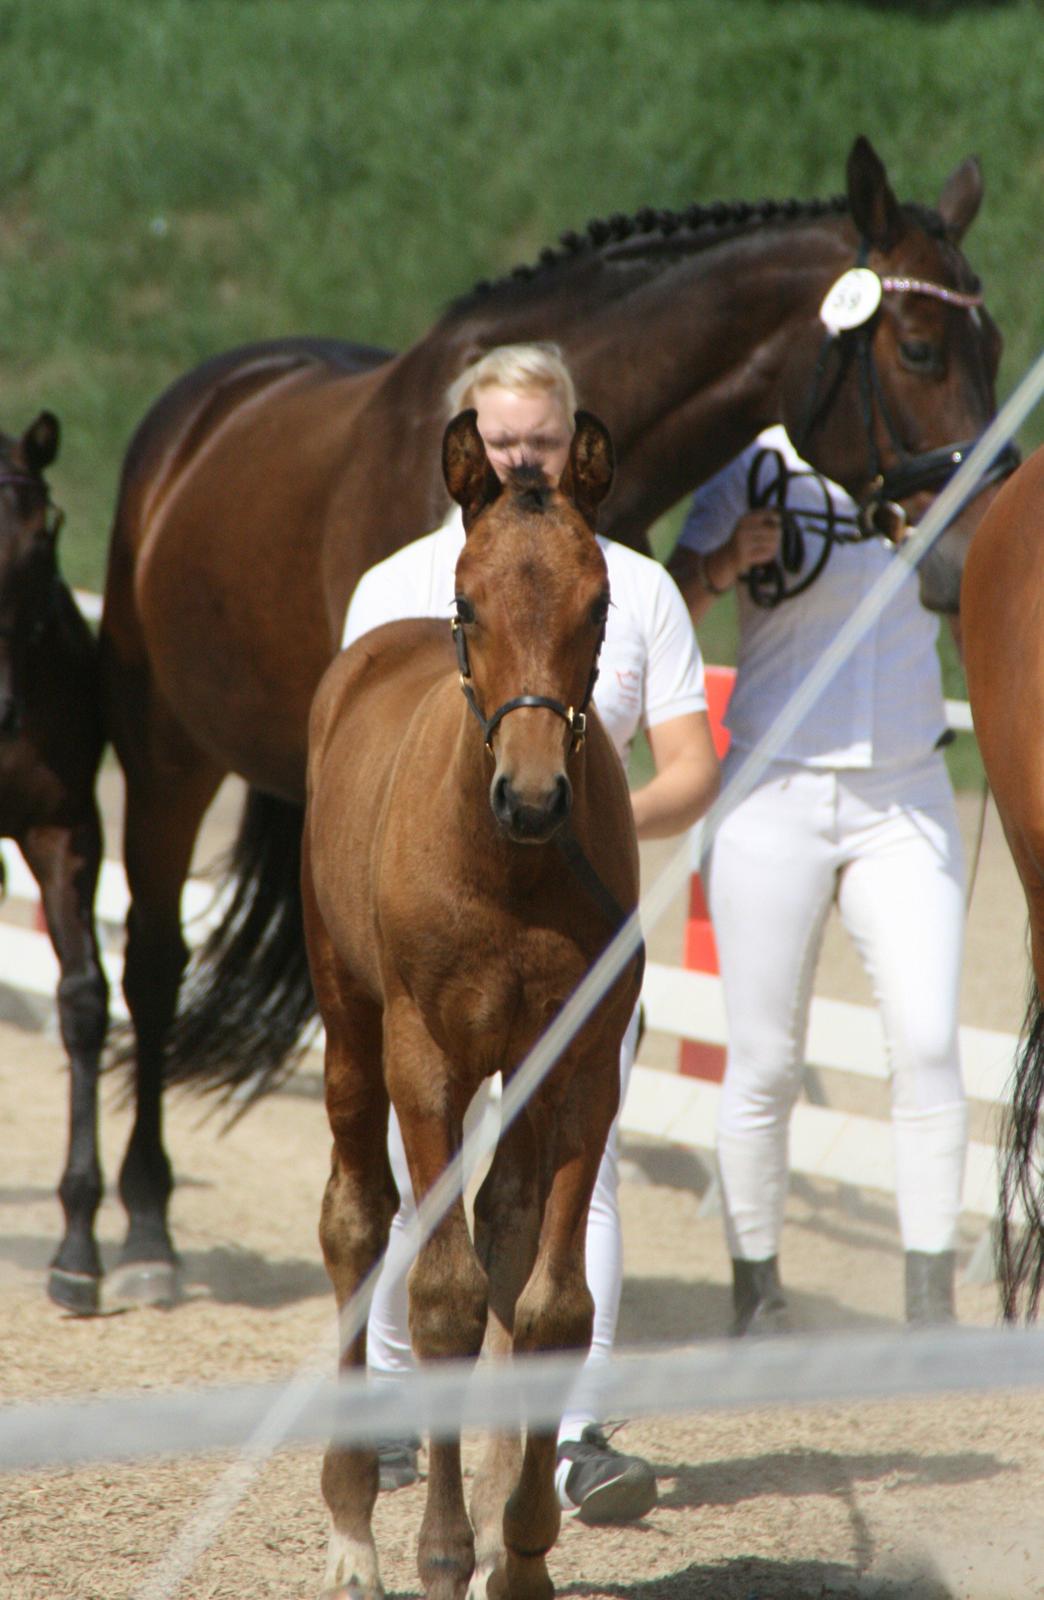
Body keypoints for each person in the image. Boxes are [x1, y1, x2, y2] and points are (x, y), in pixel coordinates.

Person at [343, 342, 720, 1522]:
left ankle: (576, 1433)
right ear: (469, 449)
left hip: (580, 910)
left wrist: (583, 830)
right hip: (443, 911)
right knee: (430, 1173)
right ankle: (406, 1404)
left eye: (541, 442)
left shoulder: (634, 586)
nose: (520, 458)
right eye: (500, 441)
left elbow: (689, 766)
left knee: (581, 1173)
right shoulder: (404, 585)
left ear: (576, 447)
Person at [668, 424, 968, 1335]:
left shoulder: (941, 457)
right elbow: (662, 606)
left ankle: (929, 1306)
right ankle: (756, 1294)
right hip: (773, 781)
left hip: (906, 788)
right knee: (763, 1060)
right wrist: (723, 560)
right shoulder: (757, 458)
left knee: (925, 1044)